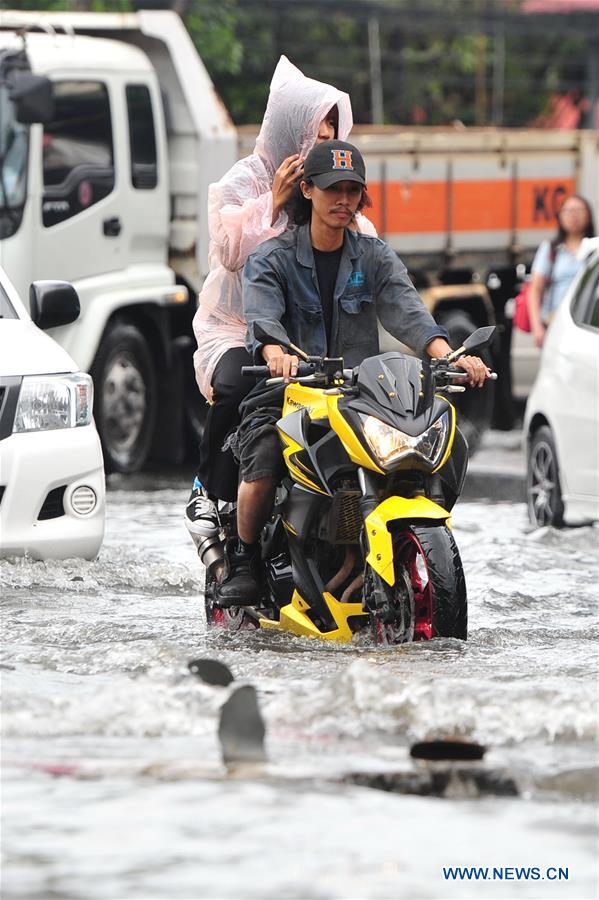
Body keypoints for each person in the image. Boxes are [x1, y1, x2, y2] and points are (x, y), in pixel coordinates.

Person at [216, 139, 491, 604]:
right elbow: (263, 321)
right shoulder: (271, 258)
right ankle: (244, 559)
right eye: (333, 189)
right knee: (263, 455)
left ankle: (386, 545)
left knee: (448, 443)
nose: (344, 200)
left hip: (361, 397)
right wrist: (276, 352)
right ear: (307, 190)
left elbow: (411, 314)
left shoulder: (374, 256)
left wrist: (450, 355)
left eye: (353, 190)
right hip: (290, 393)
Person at [185, 56, 376, 548]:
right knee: (235, 386)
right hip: (237, 324)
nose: (327, 135)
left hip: (309, 333)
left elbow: (379, 273)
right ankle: (212, 491)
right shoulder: (242, 181)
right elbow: (231, 254)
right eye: (318, 126)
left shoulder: (334, 195)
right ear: (290, 126)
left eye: (334, 126)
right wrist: (273, 201)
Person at [528, 194, 595, 348]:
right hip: (556, 325)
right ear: (560, 216)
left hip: (588, 326)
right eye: (568, 211)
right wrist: (537, 327)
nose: (573, 215)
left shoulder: (595, 249)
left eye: (578, 210)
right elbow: (535, 290)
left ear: (589, 215)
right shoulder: (551, 250)